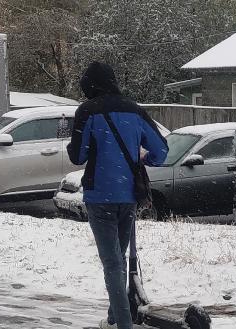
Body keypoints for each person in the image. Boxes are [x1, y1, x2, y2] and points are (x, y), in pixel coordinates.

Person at [67, 62, 168, 329]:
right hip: (129, 195)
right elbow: (162, 150)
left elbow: (77, 156)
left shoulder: (86, 112)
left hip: (100, 196)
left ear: (89, 84)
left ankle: (123, 324)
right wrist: (144, 156)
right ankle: (114, 316)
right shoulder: (134, 110)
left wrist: (78, 143)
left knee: (112, 262)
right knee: (118, 258)